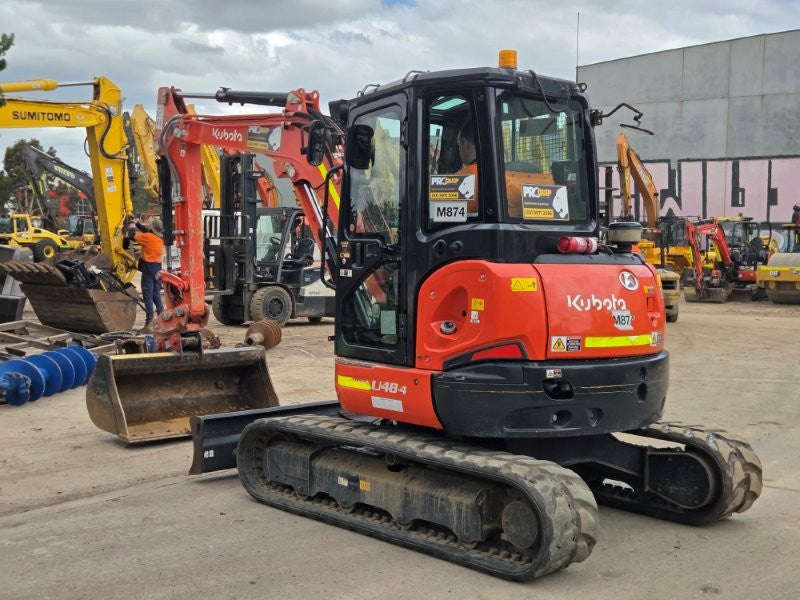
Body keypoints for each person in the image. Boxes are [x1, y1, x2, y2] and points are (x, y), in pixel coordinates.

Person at [128, 217, 164, 333]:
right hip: (157, 268)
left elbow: (131, 235)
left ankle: (149, 323)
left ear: (152, 228)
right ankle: (163, 321)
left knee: (147, 296)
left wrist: (132, 226)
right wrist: (137, 223)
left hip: (148, 268)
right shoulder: (159, 238)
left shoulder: (148, 238)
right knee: (156, 296)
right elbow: (147, 231)